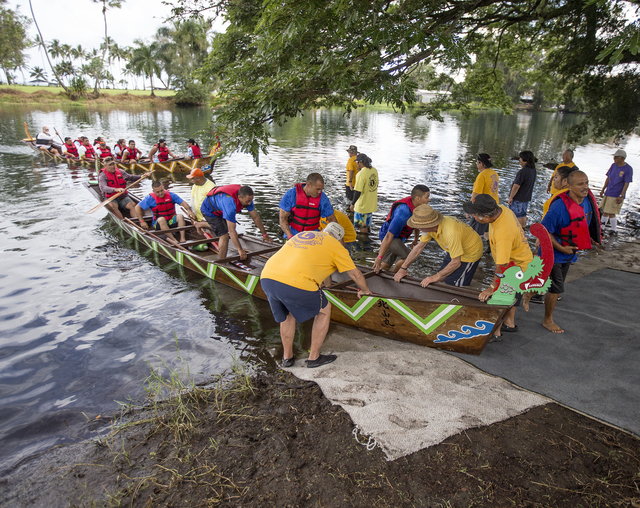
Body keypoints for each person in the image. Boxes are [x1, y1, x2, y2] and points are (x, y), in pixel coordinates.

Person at [260, 223, 373, 368]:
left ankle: (287, 358)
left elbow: (309, 262)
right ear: (340, 239)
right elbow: (356, 274)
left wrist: (322, 284)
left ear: (323, 231)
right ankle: (314, 358)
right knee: (324, 310)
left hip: (267, 278)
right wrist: (365, 290)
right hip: (294, 283)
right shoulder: (336, 246)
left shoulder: (303, 234)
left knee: (288, 315)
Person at [527, 171, 601, 333]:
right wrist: (561, 248)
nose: (585, 187)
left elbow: (584, 222)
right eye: (580, 184)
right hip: (553, 253)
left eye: (586, 183)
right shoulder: (558, 207)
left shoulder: (587, 201)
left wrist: (592, 238)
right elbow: (544, 231)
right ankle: (548, 320)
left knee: (541, 281)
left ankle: (525, 295)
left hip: (570, 251)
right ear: (569, 185)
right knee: (556, 288)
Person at [463, 194, 534, 337]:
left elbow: (503, 265)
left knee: (499, 297)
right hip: (522, 260)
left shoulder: (503, 233)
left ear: (486, 218)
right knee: (512, 294)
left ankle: (495, 334)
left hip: (516, 268)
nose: (472, 216)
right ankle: (510, 324)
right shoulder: (501, 209)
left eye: (474, 215)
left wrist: (492, 287)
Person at [394, 204, 483, 287]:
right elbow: (419, 247)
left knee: (454, 285)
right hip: (455, 247)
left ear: (428, 224)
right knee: (441, 278)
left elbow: (456, 262)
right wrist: (403, 268)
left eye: (418, 225)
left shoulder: (450, 232)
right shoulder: (428, 229)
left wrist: (434, 277)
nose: (417, 228)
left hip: (471, 252)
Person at [195, 184, 273, 260]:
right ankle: (222, 261)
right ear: (239, 197)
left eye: (251, 200)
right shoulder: (230, 207)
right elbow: (232, 231)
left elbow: (255, 217)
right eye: (247, 201)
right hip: (209, 210)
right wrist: (240, 249)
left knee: (222, 227)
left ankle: (199, 224)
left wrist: (264, 234)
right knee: (224, 235)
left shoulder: (247, 199)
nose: (249, 203)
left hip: (221, 207)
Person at [373, 185, 431, 273]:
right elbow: (389, 236)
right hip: (389, 236)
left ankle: (383, 276)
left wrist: (415, 239)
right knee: (408, 256)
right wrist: (379, 257)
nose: (429, 200)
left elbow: (416, 222)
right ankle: (395, 275)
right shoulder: (403, 213)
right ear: (418, 198)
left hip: (398, 236)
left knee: (387, 263)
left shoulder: (416, 204)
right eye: (426, 197)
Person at [278, 173, 337, 239]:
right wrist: (290, 236)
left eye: (321, 189)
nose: (319, 192)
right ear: (308, 185)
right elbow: (282, 218)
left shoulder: (323, 199)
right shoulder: (291, 194)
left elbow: (333, 220)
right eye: (317, 189)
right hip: (293, 234)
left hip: (313, 235)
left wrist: (329, 232)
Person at [600, 149, 633, 234]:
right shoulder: (613, 166)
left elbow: (626, 183)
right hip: (608, 191)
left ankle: (614, 230)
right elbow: (608, 177)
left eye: (616, 157)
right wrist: (603, 189)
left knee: (611, 212)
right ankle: (602, 228)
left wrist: (621, 195)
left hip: (616, 194)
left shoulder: (628, 169)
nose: (614, 159)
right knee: (605, 211)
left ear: (621, 158)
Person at [469, 153, 499, 237]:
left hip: (483, 208)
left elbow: (476, 194)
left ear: (481, 163)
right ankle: (490, 247)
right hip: (494, 207)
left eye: (477, 163)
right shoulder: (494, 174)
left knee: (473, 232)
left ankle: (474, 249)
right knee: (487, 230)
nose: (477, 165)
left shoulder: (481, 175)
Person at [350, 153, 379, 234]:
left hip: (362, 206)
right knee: (367, 225)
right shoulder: (374, 170)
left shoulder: (361, 174)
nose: (356, 164)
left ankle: (363, 244)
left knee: (361, 228)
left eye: (357, 162)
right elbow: (376, 185)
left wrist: (352, 204)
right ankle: (368, 242)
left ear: (360, 162)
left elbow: (358, 191)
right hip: (370, 204)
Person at [508, 150, 537, 227]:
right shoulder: (533, 170)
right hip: (526, 197)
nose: (519, 160)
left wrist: (511, 197)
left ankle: (517, 232)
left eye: (520, 158)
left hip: (518, 197)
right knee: (523, 214)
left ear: (525, 159)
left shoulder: (522, 171)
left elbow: (516, 186)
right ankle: (523, 230)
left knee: (516, 216)